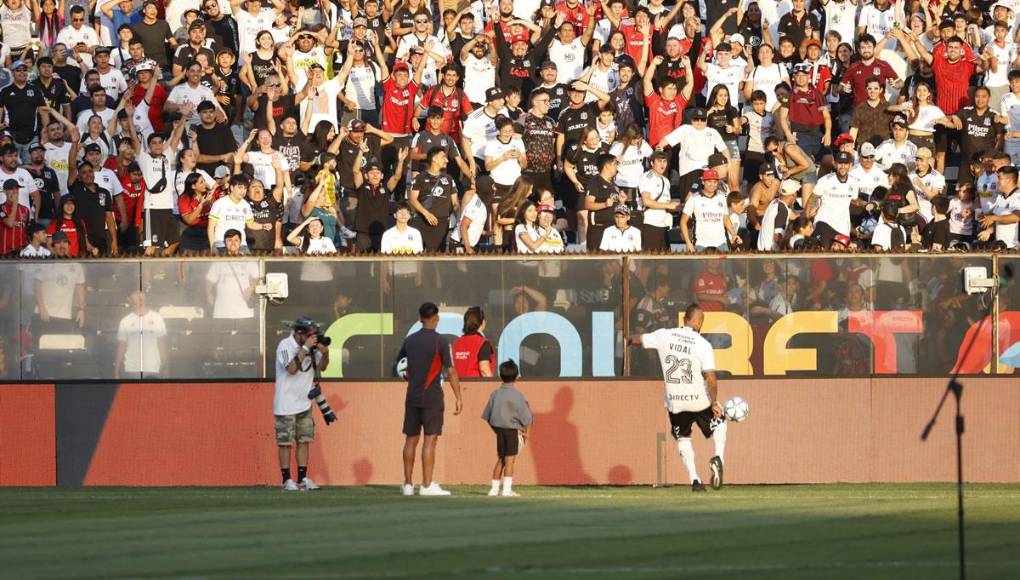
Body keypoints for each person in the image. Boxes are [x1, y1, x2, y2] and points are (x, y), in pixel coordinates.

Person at [631, 303, 727, 492]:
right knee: (720, 423)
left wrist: (627, 340)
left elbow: (638, 340)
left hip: (675, 401)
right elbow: (710, 378)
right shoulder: (703, 344)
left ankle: (695, 480)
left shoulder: (664, 335)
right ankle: (718, 457)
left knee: (683, 438)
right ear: (699, 322)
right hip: (698, 399)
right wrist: (714, 402)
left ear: (684, 319)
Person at [396, 302, 464, 496]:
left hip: (412, 396)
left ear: (419, 318)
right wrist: (458, 396)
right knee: (430, 440)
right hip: (432, 397)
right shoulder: (441, 342)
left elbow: (400, 365)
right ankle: (426, 485)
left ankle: (408, 485)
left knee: (410, 440)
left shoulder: (409, 340)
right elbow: (450, 371)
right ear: (437, 319)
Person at [274, 316, 330, 492]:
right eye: (309, 335)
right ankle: (286, 480)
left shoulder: (312, 348)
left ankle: (302, 478)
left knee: (304, 441)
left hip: (304, 402)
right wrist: (305, 348)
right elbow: (291, 369)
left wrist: (325, 352)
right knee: (285, 443)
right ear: (299, 334)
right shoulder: (285, 345)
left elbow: (323, 367)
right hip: (285, 403)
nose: (312, 338)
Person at [481, 359, 533, 497]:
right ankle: (506, 490)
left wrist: (495, 430)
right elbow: (528, 418)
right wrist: (527, 434)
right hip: (512, 431)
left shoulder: (495, 394)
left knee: (501, 459)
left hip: (500, 431)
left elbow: (487, 416)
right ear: (517, 377)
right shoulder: (518, 396)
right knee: (510, 461)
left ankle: (493, 489)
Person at [113, 291, 168, 379]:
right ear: (129, 298)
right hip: (131, 370)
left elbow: (162, 344)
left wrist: (166, 370)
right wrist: (116, 372)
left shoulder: (157, 318)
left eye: (141, 293)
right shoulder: (125, 321)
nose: (139, 296)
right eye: (135, 293)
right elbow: (121, 347)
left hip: (153, 370)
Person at [451, 306, 495, 378]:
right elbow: (484, 370)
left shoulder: (455, 343)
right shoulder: (482, 343)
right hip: (475, 387)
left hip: (457, 387)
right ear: (483, 322)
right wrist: (493, 387)